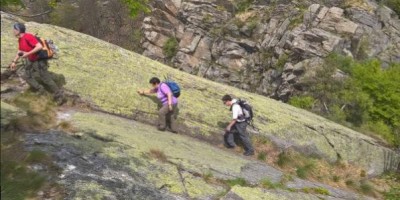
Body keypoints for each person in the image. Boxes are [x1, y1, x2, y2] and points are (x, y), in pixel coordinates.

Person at [9, 23, 64, 103]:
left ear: (18, 30)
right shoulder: (20, 39)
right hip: (31, 59)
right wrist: (14, 62)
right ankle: (41, 90)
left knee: (45, 78)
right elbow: (20, 51)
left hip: (39, 60)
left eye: (14, 29)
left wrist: (27, 54)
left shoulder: (28, 36)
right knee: (27, 76)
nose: (13, 31)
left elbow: (39, 46)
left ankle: (59, 95)